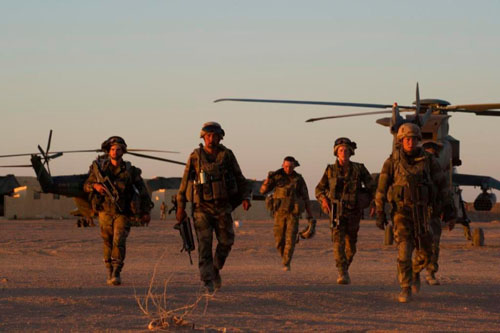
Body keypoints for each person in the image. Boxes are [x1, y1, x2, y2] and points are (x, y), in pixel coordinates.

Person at [375, 123, 455, 303]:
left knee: (427, 254)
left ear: (418, 140)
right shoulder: (392, 162)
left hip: (424, 212)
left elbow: (443, 185)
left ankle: (414, 271)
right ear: (401, 141)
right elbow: (381, 188)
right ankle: (405, 287)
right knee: (404, 249)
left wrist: (449, 208)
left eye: (413, 139)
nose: (410, 142)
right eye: (407, 139)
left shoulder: (429, 161)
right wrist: (380, 210)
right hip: (402, 212)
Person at [176, 122, 251, 292]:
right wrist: (181, 207)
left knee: (226, 241)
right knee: (205, 244)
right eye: (208, 136)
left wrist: (245, 197)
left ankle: (215, 268)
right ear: (203, 137)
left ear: (220, 137)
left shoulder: (227, 155)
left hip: (223, 207)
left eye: (214, 136)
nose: (211, 139)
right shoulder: (195, 156)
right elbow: (184, 183)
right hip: (201, 208)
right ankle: (207, 279)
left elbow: (240, 178)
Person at [84, 136, 152, 286]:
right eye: (112, 149)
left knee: (119, 240)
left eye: (118, 149)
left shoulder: (130, 171)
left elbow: (143, 191)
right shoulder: (100, 169)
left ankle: (116, 271)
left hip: (123, 212)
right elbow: (86, 185)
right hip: (105, 211)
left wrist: (146, 211)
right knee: (107, 241)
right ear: (109, 151)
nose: (115, 152)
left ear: (123, 151)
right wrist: (95, 186)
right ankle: (109, 269)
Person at [315, 138, 376, 285]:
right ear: (336, 153)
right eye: (341, 150)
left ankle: (345, 268)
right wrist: (323, 199)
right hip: (337, 212)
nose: (343, 153)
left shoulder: (359, 168)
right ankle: (342, 272)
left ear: (351, 152)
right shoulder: (330, 170)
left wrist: (374, 202)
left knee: (351, 247)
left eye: (346, 150)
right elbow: (319, 189)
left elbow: (372, 187)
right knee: (338, 243)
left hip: (354, 211)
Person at [260, 156, 314, 271]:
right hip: (279, 213)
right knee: (279, 240)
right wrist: (267, 180)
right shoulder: (277, 177)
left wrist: (310, 215)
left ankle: (286, 262)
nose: (288, 168)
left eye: (290, 166)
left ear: (294, 166)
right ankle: (284, 257)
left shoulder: (298, 179)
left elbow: (306, 197)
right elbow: (263, 191)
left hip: (292, 214)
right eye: (286, 166)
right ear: (282, 166)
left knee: (290, 239)